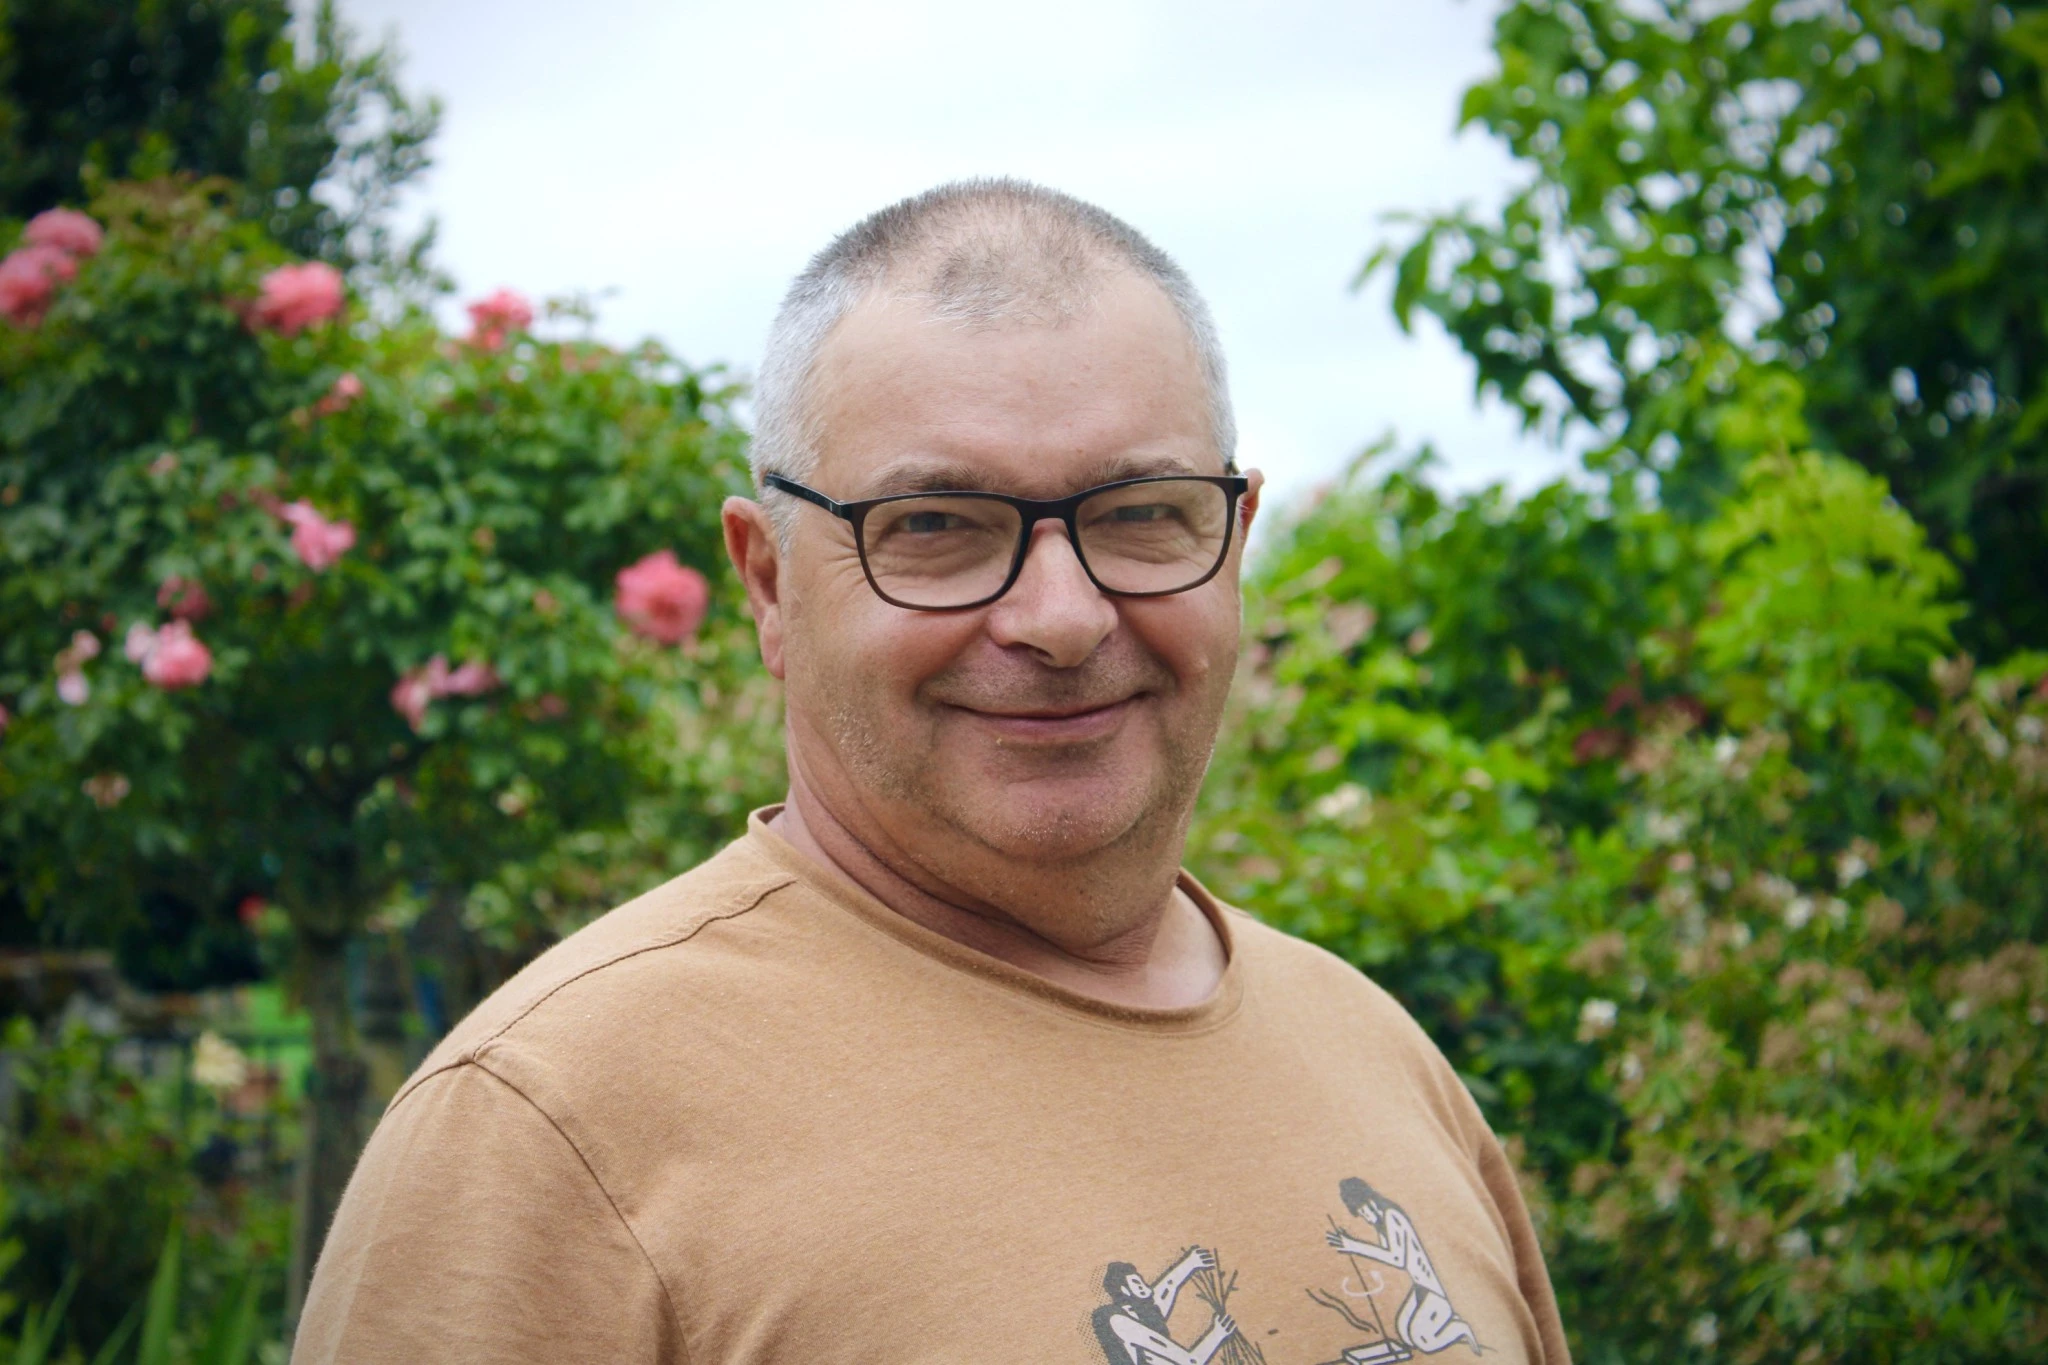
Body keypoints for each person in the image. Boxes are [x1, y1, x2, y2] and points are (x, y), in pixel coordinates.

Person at [292, 179, 1571, 1364]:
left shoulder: (1375, 1056)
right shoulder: (551, 1137)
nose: (1061, 618)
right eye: (939, 529)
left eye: (1139, 515)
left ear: (1231, 542)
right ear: (769, 583)